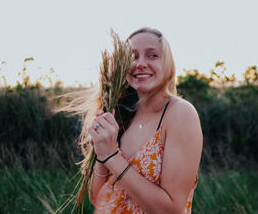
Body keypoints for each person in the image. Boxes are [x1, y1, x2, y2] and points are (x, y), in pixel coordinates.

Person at [81, 27, 203, 213]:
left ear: (167, 63)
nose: (140, 63)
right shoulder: (119, 114)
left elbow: (171, 210)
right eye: (133, 57)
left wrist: (112, 156)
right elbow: (98, 198)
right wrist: (102, 152)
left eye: (152, 55)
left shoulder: (180, 114)